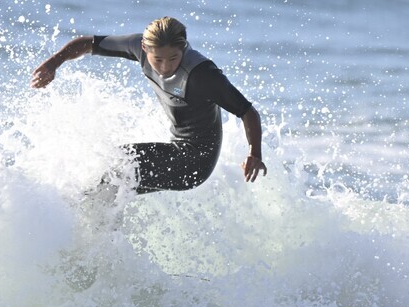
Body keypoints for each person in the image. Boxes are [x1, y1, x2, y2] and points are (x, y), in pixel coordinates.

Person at [30, 16, 267, 194]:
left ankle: (86, 218)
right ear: (144, 48)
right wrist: (54, 63)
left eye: (173, 58)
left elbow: (247, 111)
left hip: (195, 163)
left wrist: (254, 153)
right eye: (158, 59)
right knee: (114, 173)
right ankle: (100, 243)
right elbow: (88, 43)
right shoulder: (137, 47)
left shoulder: (203, 75)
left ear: (183, 47)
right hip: (176, 150)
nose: (166, 67)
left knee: (120, 163)